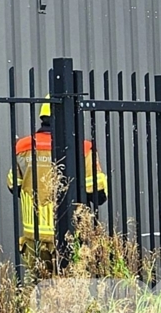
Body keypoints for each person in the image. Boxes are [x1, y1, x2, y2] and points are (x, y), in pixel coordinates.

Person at [7, 96, 108, 275]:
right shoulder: (83, 148)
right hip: (68, 233)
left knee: (37, 291)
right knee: (71, 289)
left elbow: (14, 186)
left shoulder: (23, 146)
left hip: (33, 235)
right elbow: (98, 194)